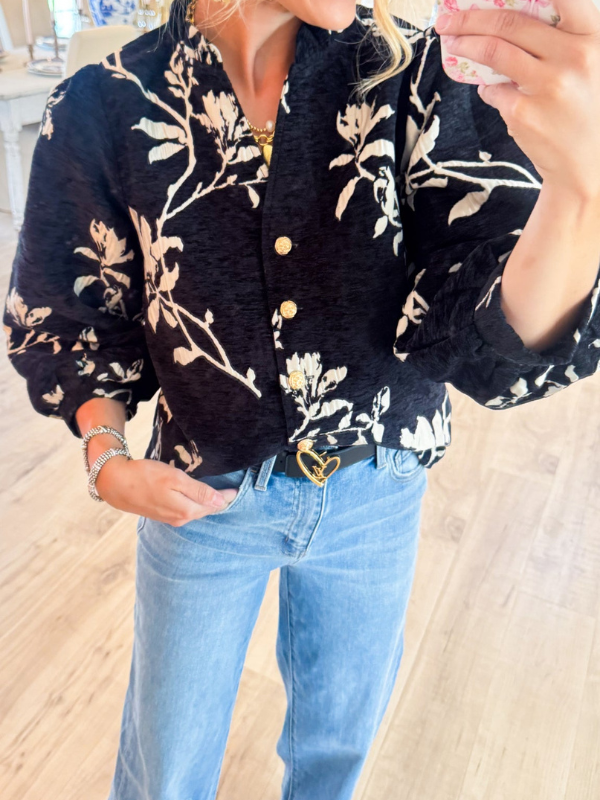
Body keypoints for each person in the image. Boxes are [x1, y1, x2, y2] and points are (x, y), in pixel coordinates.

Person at [3, 0, 600, 797]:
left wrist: (580, 195)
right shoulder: (102, 102)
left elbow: (479, 336)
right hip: (202, 500)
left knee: (337, 754)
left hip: (377, 493)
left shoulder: (418, 78)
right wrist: (104, 455)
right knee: (164, 767)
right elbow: (72, 316)